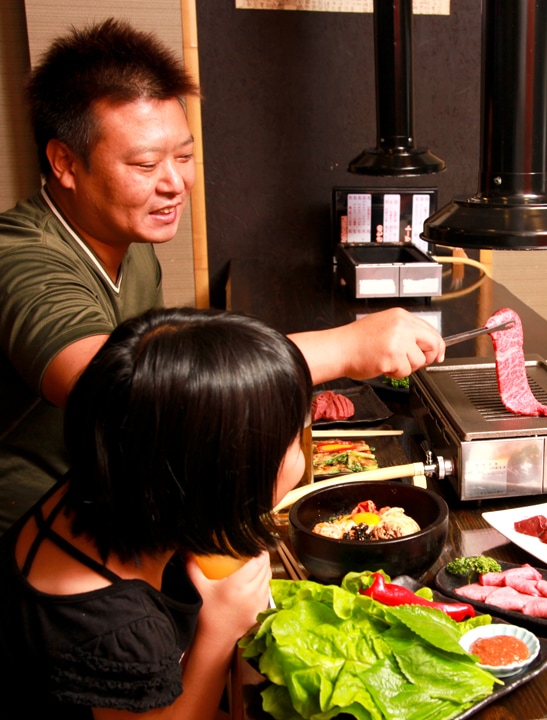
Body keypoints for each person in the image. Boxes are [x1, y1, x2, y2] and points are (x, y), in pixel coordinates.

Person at [0, 18, 444, 533]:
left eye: (184, 157)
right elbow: (117, 392)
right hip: (38, 543)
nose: (175, 184)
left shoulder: (131, 240)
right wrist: (345, 347)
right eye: (145, 164)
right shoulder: (21, 254)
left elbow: (167, 376)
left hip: (116, 500)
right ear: (65, 162)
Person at [0, 306, 313, 718]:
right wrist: (222, 630)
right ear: (221, 476)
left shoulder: (108, 481)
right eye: (293, 439)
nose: (302, 457)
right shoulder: (121, 631)